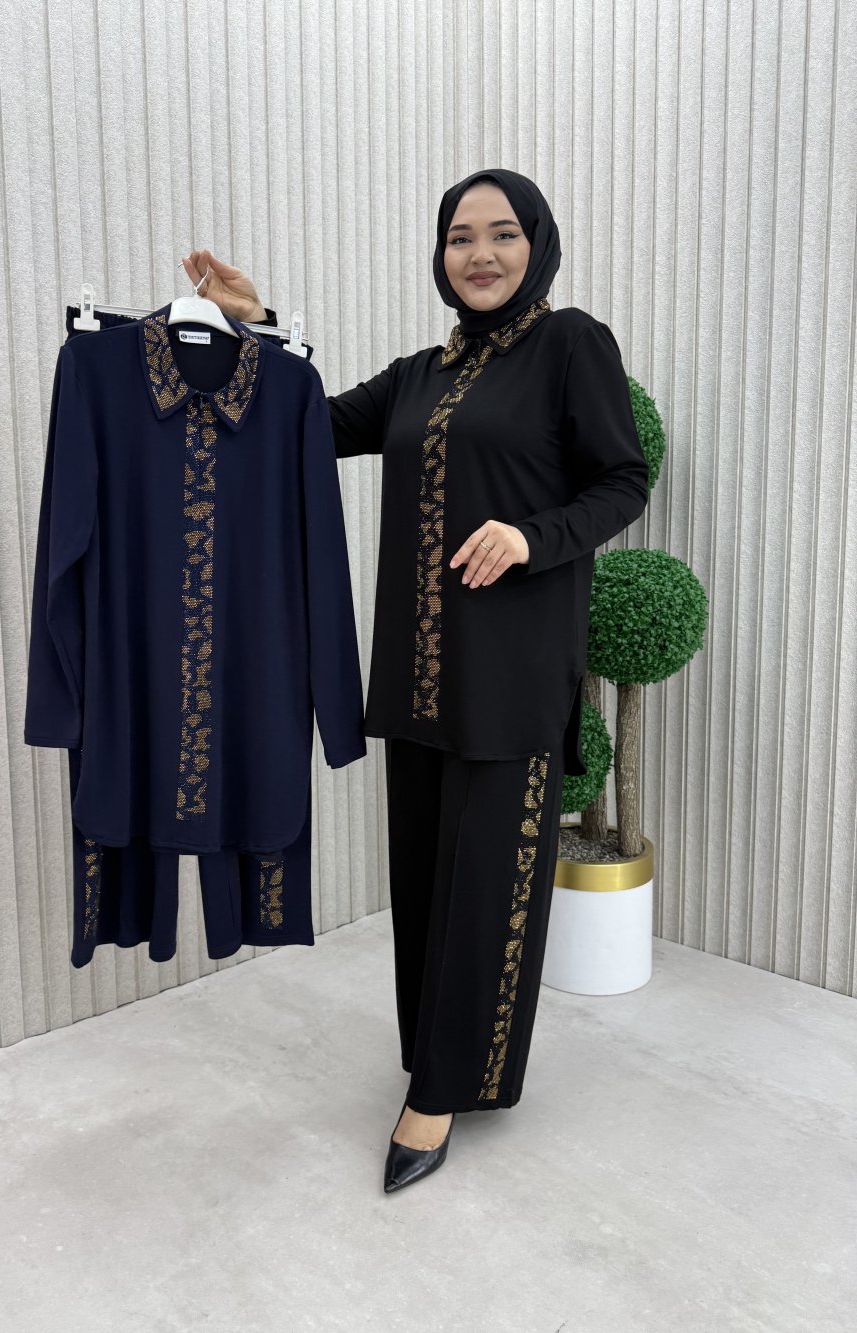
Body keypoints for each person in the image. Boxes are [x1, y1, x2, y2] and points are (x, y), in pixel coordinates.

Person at [180, 168, 649, 1192]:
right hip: (419, 676)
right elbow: (305, 425)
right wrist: (259, 330)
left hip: (513, 672)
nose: (479, 254)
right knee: (428, 885)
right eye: (458, 236)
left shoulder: (572, 345)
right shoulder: (420, 374)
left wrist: (531, 536)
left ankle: (440, 1093)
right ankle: (435, 1053)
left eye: (502, 233)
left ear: (537, 242)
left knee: (489, 890)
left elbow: (623, 478)